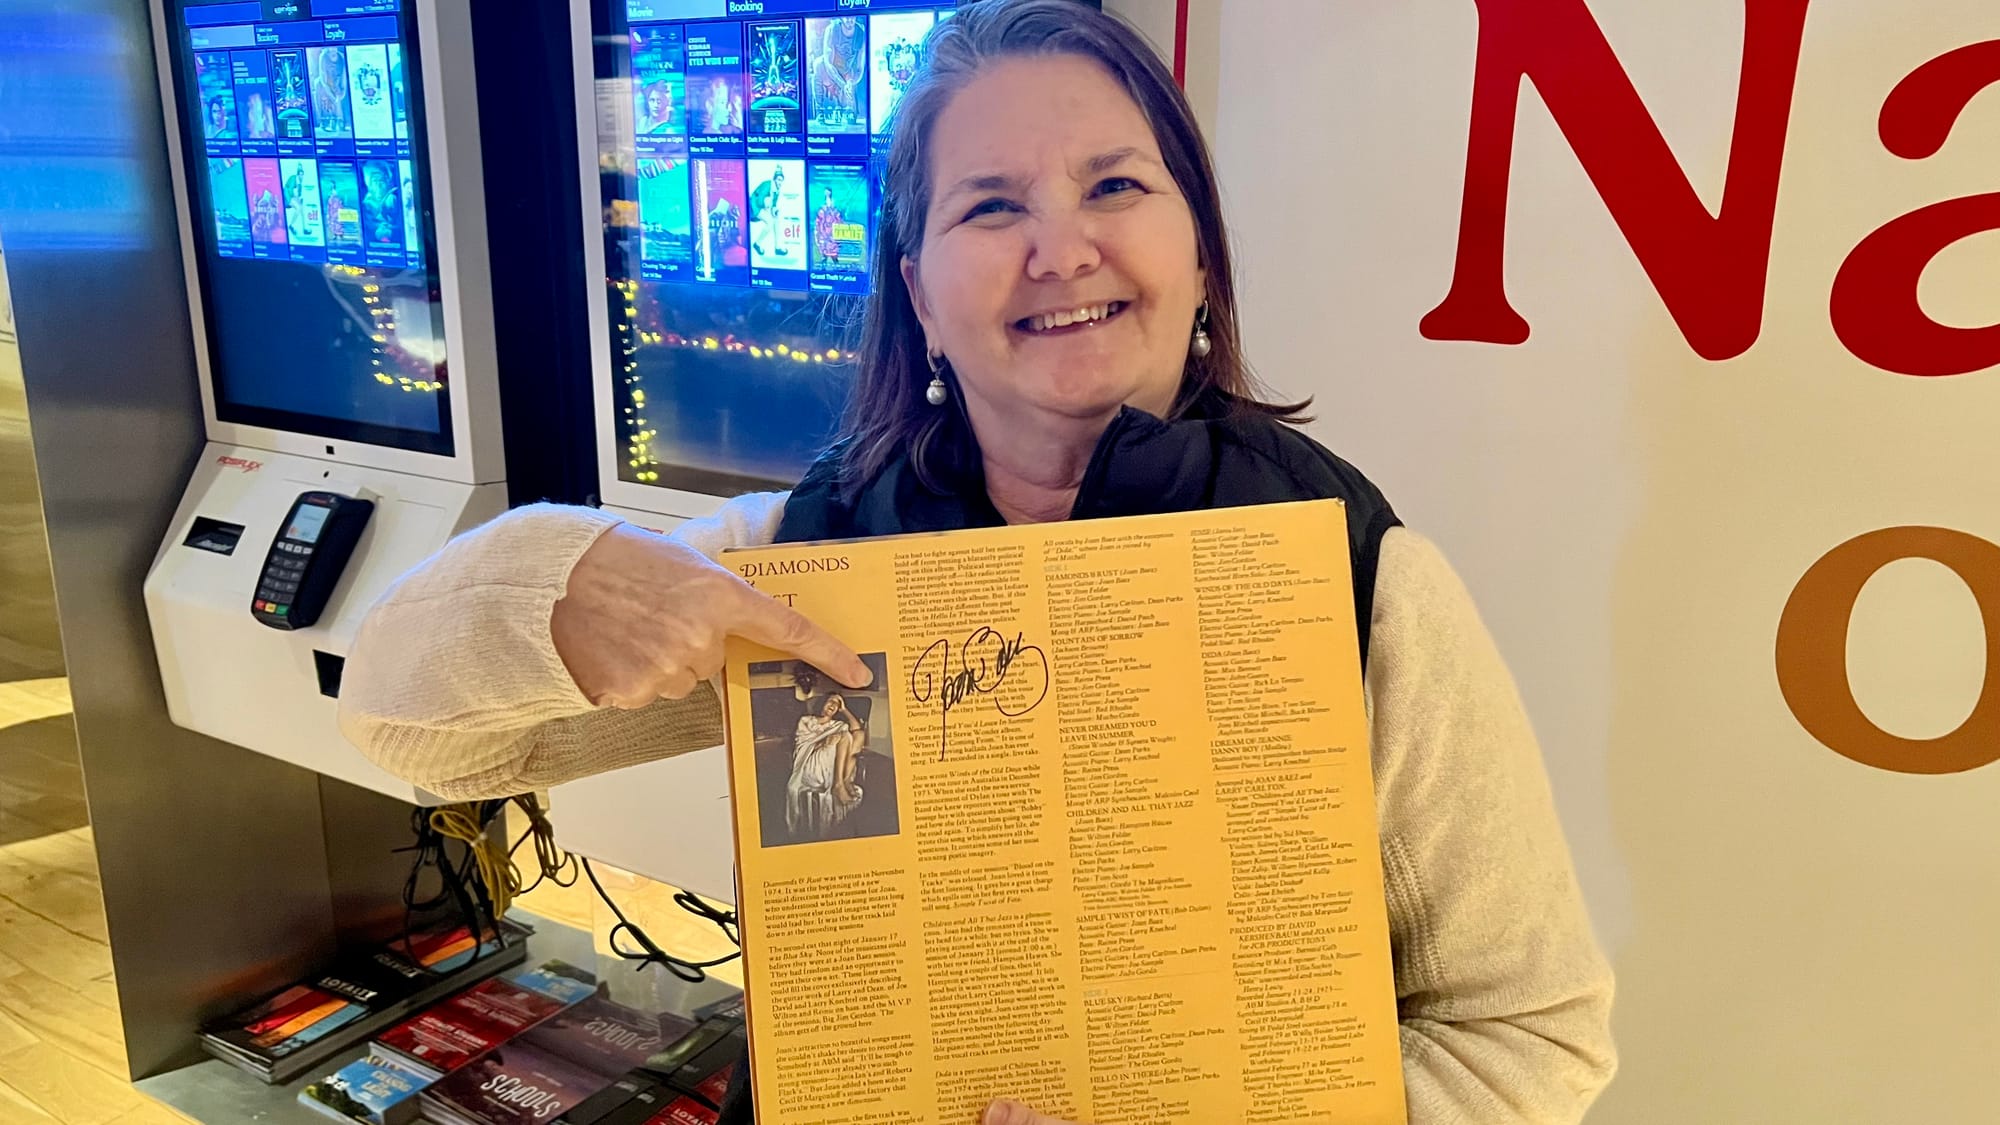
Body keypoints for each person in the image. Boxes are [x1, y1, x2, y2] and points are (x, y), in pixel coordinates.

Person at [338, 2, 1616, 1123]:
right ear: (920, 291)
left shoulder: (1352, 577)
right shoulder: (806, 560)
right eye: (990, 206)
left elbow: (1528, 1032)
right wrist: (562, 582)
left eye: (1114, 187)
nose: (1059, 250)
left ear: (1201, 255)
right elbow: (413, 734)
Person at [784, 693, 865, 840]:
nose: (833, 704)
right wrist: (824, 742)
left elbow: (858, 730)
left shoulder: (837, 725)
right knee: (844, 736)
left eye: (837, 704)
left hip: (830, 766)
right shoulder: (807, 721)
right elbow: (803, 746)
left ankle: (843, 781)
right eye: (830, 701)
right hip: (809, 765)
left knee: (856, 735)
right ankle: (840, 784)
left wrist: (844, 710)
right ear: (822, 703)